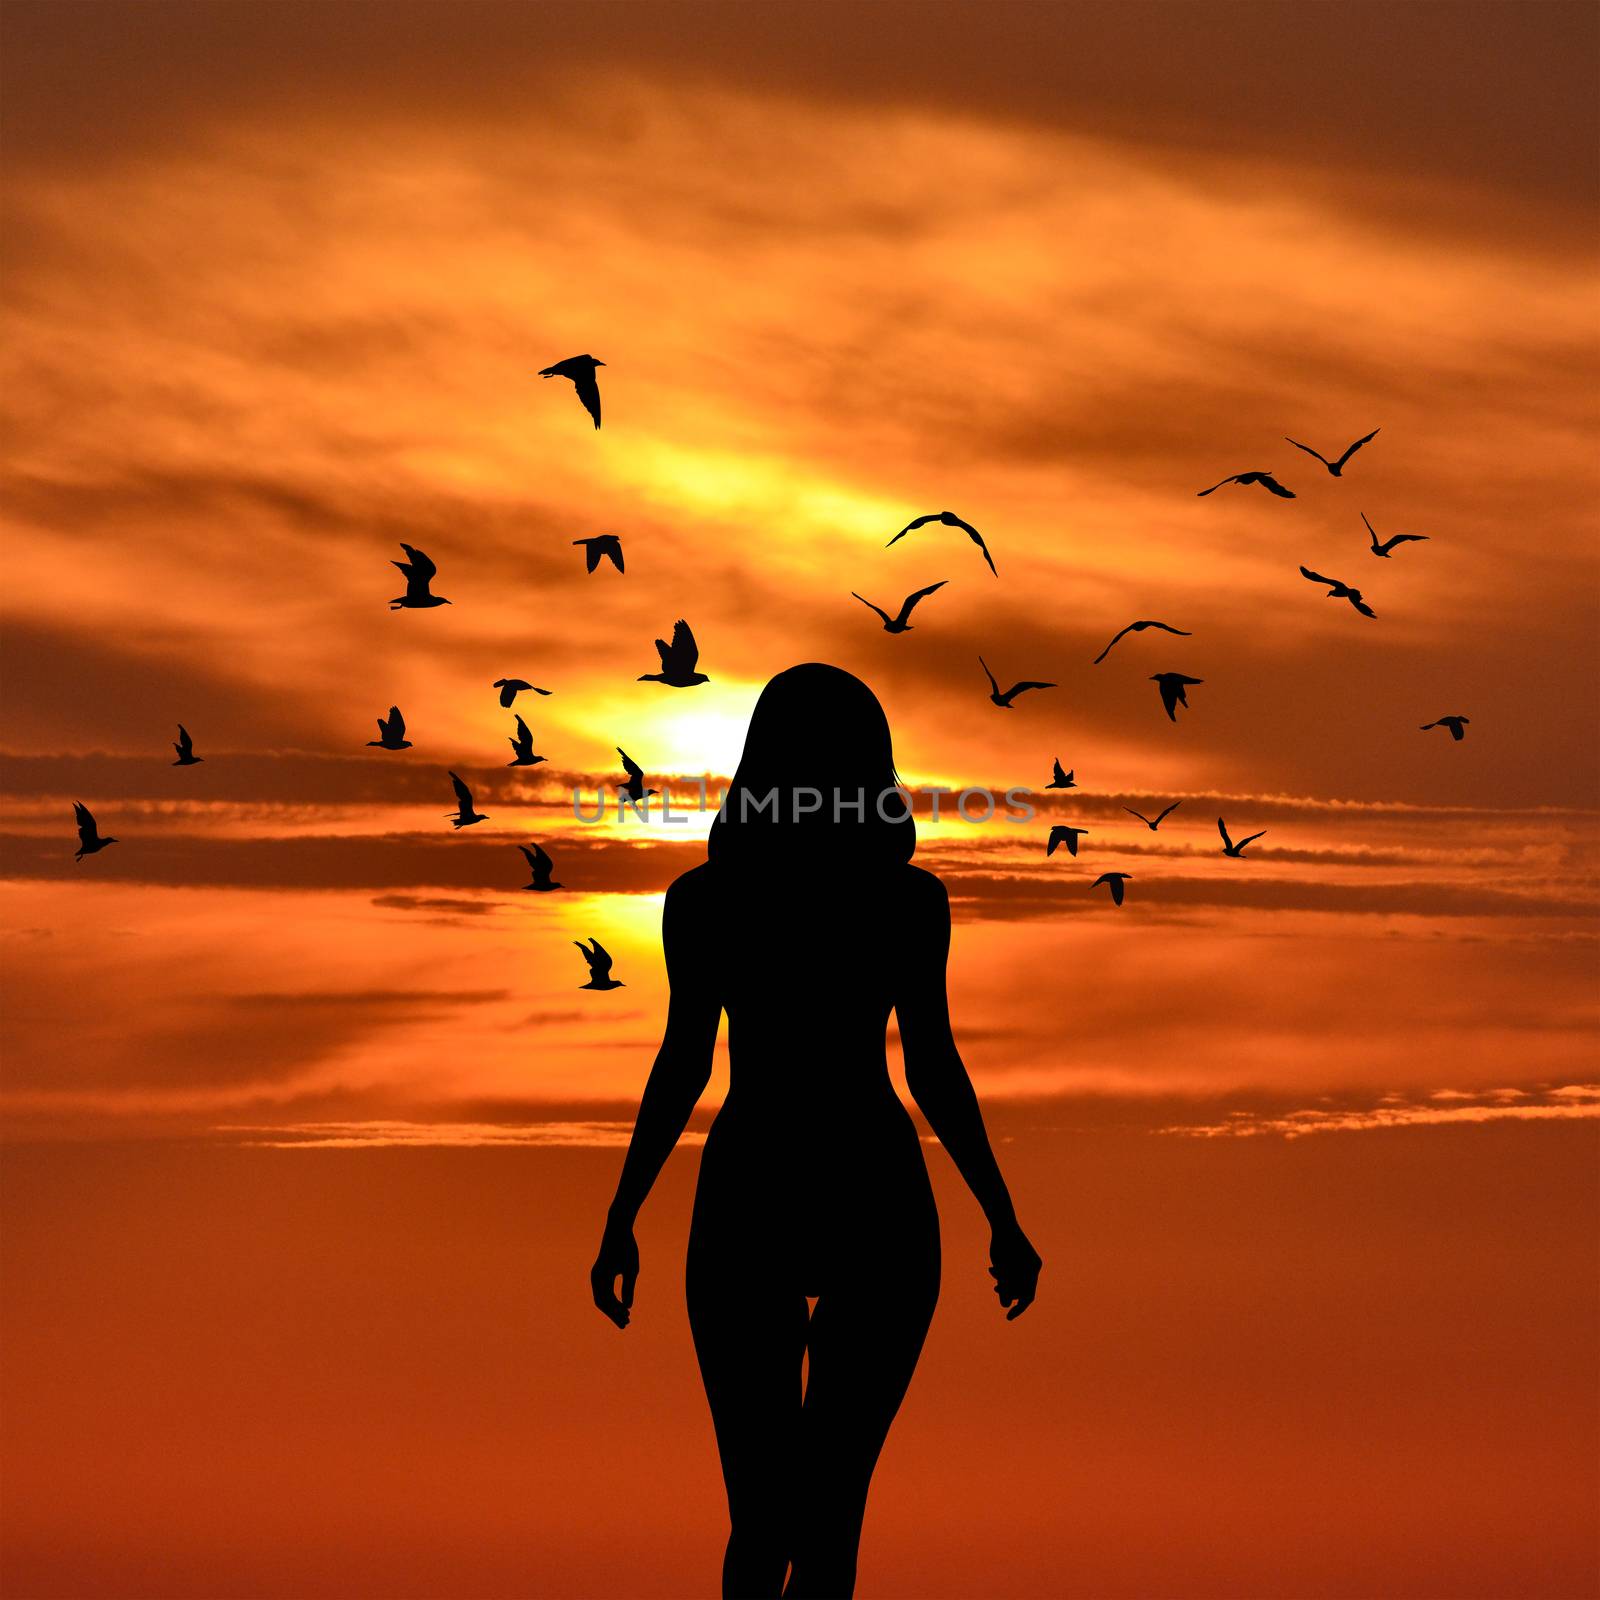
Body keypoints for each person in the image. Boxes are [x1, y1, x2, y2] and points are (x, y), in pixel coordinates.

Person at [591, 663, 1041, 1599]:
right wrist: (1001, 1217)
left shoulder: (709, 901)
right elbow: (931, 1072)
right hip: (865, 1190)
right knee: (821, 1524)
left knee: (767, 1524)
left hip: (760, 1183)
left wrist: (622, 1216)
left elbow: (687, 1064)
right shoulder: (903, 901)